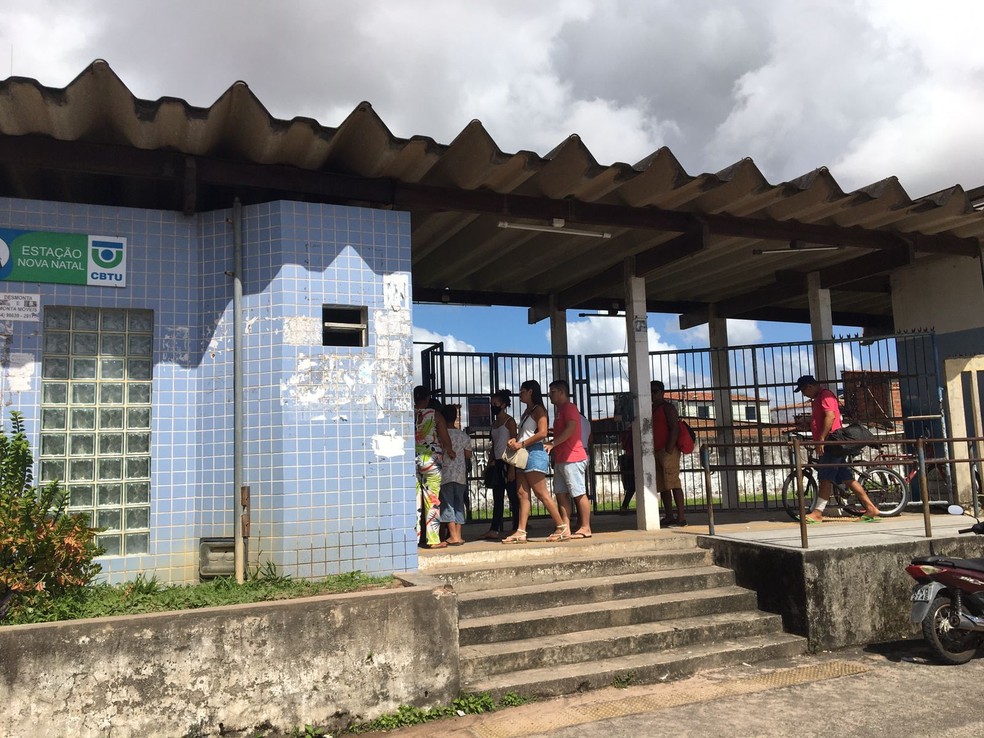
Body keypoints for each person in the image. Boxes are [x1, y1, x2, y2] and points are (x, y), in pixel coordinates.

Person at [794, 374, 881, 523]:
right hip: (829, 443)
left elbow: (830, 416)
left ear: (808, 387)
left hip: (830, 443)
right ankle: (871, 508)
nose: (804, 394)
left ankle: (817, 512)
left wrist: (821, 439)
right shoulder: (818, 399)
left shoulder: (825, 396)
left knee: (825, 477)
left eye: (803, 391)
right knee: (847, 479)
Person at [502, 380, 568, 544]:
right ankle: (521, 531)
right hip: (523, 453)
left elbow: (543, 432)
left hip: (534, 453)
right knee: (522, 494)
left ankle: (561, 526)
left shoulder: (539, 410)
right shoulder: (527, 411)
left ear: (530, 392)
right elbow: (527, 434)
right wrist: (516, 442)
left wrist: (521, 443)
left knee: (541, 493)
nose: (520, 394)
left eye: (522, 391)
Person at [545, 379, 592, 539]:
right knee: (561, 493)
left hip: (573, 458)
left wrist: (553, 443)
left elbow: (571, 428)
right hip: (561, 458)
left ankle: (586, 527)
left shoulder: (570, 408)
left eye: (552, 392)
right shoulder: (559, 410)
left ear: (562, 392)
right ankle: (565, 527)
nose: (550, 395)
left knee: (578, 492)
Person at [414, 385, 455, 549]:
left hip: (413, 459)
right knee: (432, 499)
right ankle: (432, 539)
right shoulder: (435, 415)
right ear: (428, 399)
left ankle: (413, 538)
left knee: (414, 500)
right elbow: (445, 439)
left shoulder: (407, 415)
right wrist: (450, 450)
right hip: (431, 461)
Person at [483, 389, 519, 540]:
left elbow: (514, 443)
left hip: (508, 462)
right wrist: (489, 463)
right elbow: (494, 445)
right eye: (492, 404)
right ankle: (494, 528)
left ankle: (517, 527)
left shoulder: (509, 422)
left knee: (513, 496)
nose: (493, 406)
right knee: (497, 497)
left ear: (503, 405)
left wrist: (511, 468)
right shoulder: (495, 423)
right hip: (497, 462)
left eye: (495, 403)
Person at [651, 380, 687, 527]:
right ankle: (669, 515)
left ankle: (681, 516)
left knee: (673, 482)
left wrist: (669, 449)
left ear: (662, 392)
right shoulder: (651, 408)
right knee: (663, 485)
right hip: (656, 450)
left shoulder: (668, 407)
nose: (652, 394)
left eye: (655, 391)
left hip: (667, 451)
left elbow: (674, 428)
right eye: (650, 391)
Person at [438, 405, 472, 545]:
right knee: (459, 504)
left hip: (446, 474)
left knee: (447, 504)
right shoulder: (463, 435)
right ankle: (459, 534)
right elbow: (468, 454)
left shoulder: (441, 435)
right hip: (460, 476)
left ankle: (453, 536)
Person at [618, 428, 636, 514]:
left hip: (629, 457)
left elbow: (623, 445)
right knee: (633, 486)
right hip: (632, 457)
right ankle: (624, 506)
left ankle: (624, 506)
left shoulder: (627, 431)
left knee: (631, 486)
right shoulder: (631, 431)